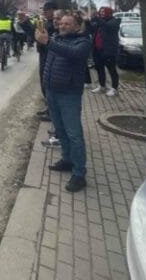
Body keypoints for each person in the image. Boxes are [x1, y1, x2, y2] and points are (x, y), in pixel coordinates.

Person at [35, 13, 91, 192]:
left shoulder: (83, 42)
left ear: (77, 26)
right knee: (61, 130)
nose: (62, 26)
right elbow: (46, 52)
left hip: (69, 94)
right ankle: (67, 160)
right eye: (61, 23)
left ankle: (79, 173)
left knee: (74, 134)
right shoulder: (57, 39)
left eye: (67, 24)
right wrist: (38, 36)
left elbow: (72, 53)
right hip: (52, 92)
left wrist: (49, 42)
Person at [88, 7, 121, 96]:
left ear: (109, 13)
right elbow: (91, 29)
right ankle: (102, 86)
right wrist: (87, 21)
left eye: (103, 12)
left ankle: (114, 88)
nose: (101, 14)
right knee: (99, 69)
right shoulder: (100, 22)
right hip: (98, 50)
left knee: (112, 70)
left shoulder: (114, 22)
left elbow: (107, 26)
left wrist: (97, 18)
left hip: (108, 51)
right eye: (100, 12)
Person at [36, 2, 58, 120]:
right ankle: (49, 107)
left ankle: (52, 112)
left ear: (54, 10)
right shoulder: (46, 22)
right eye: (44, 9)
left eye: (47, 9)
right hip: (43, 54)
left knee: (48, 83)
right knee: (44, 81)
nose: (44, 12)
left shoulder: (55, 24)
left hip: (49, 54)